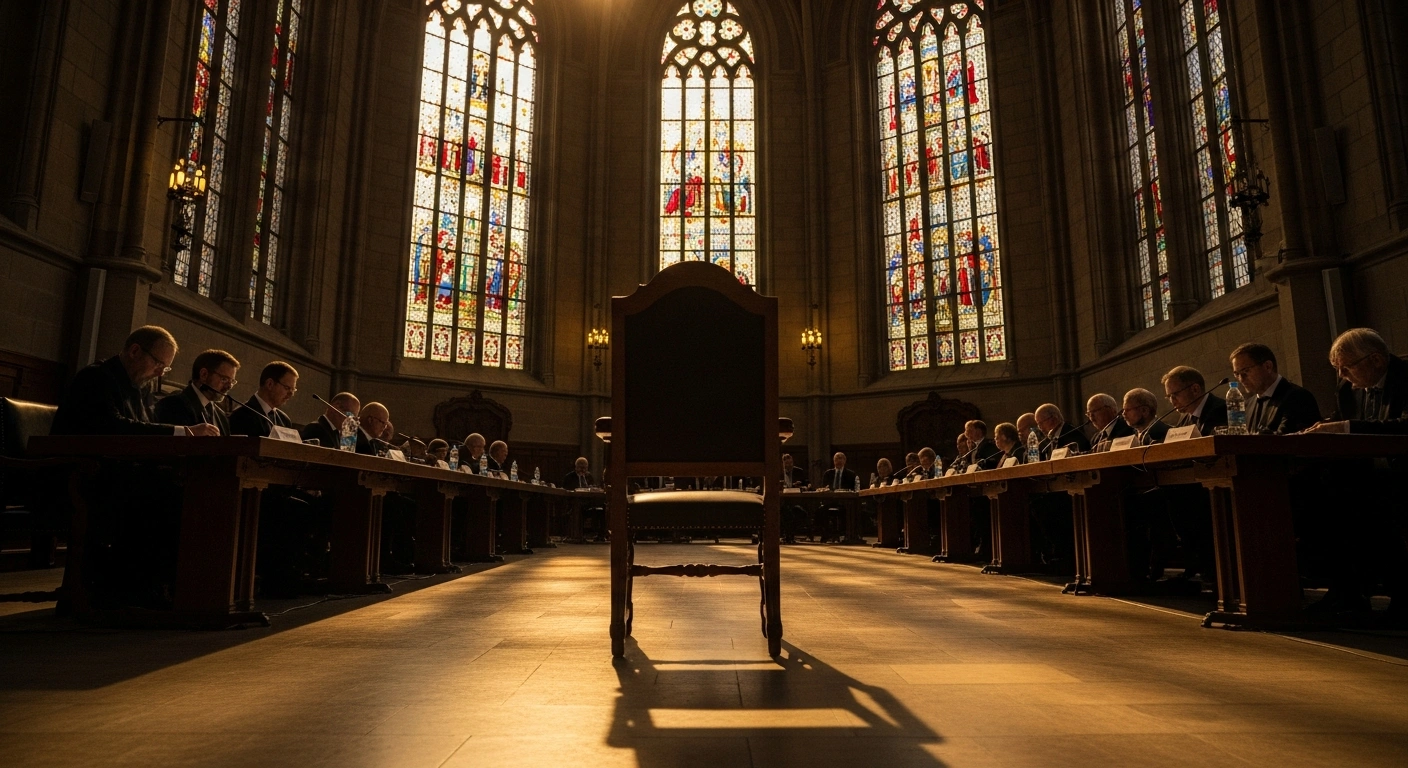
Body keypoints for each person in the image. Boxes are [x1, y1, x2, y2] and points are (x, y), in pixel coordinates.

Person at [51, 325, 219, 437]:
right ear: (135, 351)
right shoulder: (95, 377)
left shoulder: (142, 386)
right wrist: (185, 432)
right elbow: (113, 427)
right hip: (81, 470)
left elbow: (148, 425)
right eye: (158, 363)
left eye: (165, 368)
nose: (160, 373)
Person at [1303, 328, 1408, 434]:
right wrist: (1325, 425)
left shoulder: (1404, 377)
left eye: (1346, 367)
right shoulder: (1345, 387)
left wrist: (1346, 427)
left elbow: (1404, 426)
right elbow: (1340, 419)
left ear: (1376, 360)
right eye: (1337, 368)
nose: (1341, 374)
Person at [153, 350, 239, 436]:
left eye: (232, 382)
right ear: (204, 374)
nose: (229, 386)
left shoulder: (221, 416)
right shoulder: (172, 405)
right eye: (224, 379)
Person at [230, 361, 298, 437]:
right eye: (287, 388)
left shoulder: (284, 420)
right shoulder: (241, 415)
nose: (291, 394)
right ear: (270, 384)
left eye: (293, 390)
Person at [1162, 366, 1227, 435]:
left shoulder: (1222, 410)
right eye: (1169, 396)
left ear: (1195, 390)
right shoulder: (1184, 419)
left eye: (1175, 394)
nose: (1172, 401)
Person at [299, 392, 363, 450]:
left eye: (355, 417)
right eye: (350, 414)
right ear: (335, 407)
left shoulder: (337, 433)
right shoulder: (315, 428)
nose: (352, 420)